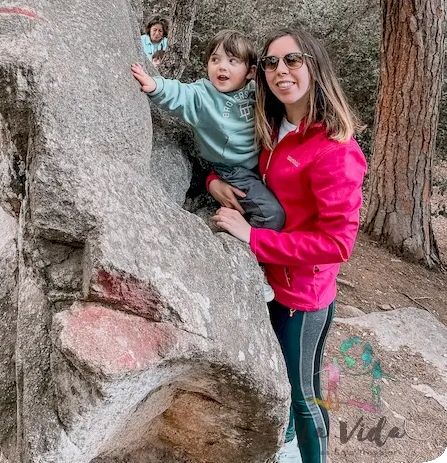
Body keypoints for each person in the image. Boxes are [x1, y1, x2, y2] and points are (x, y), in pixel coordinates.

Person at [209, 28, 367, 463]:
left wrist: (254, 238)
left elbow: (337, 244)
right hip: (267, 283)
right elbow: (235, 167)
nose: (282, 71)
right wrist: (215, 182)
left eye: (293, 60)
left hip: (303, 297)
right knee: (282, 386)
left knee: (303, 395)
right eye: (273, 62)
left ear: (314, 66)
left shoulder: (336, 149)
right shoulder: (272, 125)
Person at [131, 29, 286, 234]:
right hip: (234, 169)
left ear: (250, 72)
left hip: (260, 162)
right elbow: (181, 93)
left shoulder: (254, 91)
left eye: (233, 61)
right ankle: (251, 249)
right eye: (215, 59)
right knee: (271, 214)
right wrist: (155, 85)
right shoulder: (204, 96)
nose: (222, 66)